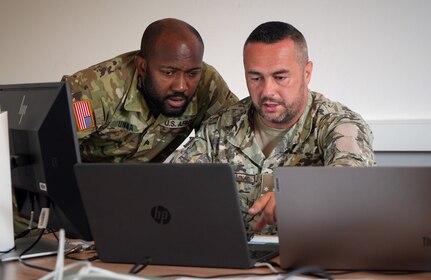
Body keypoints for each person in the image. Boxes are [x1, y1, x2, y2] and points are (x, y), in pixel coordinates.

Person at [171, 21, 375, 235]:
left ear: (307, 73)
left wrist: (299, 192)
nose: (268, 90)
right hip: (233, 262)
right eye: (256, 78)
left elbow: (354, 180)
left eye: (280, 77)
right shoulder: (221, 126)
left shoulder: (339, 124)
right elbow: (172, 185)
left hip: (310, 261)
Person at [62, 18, 238, 163]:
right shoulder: (94, 90)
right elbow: (52, 156)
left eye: (192, 73)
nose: (182, 86)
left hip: (147, 193)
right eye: (168, 73)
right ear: (142, 66)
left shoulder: (207, 83)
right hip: (86, 189)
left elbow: (241, 134)